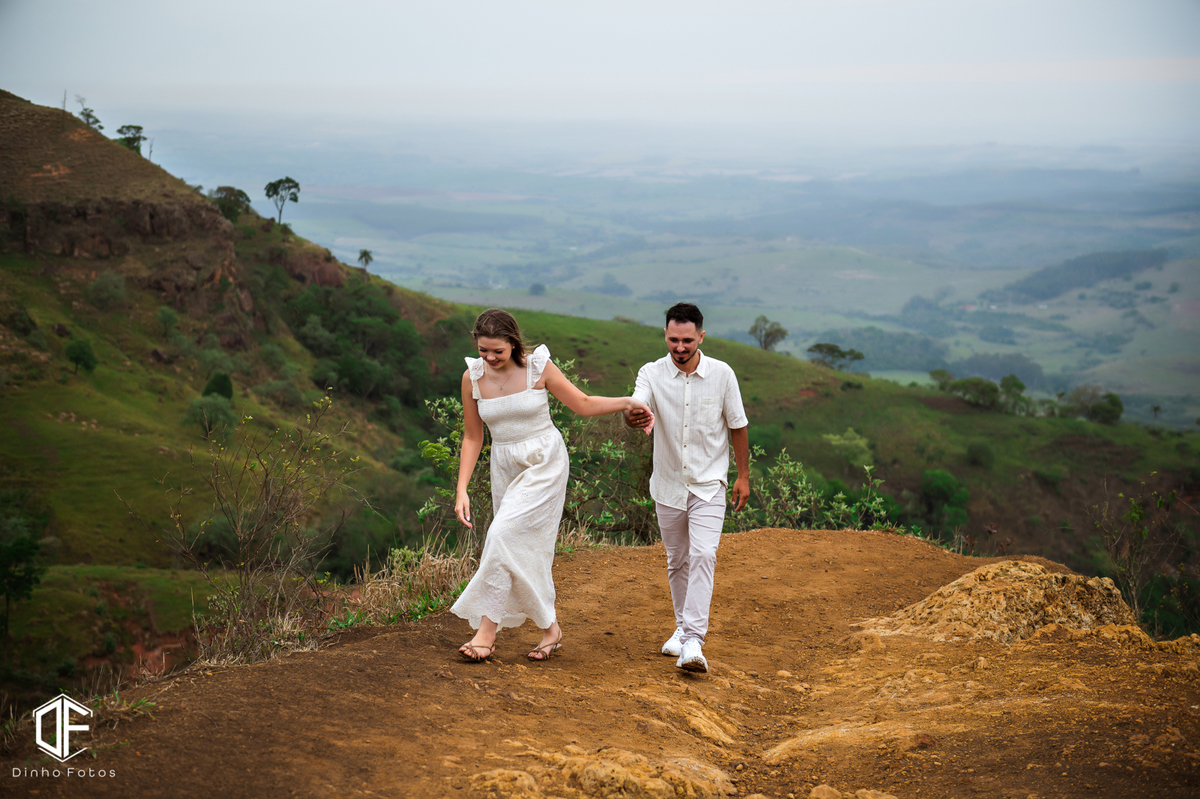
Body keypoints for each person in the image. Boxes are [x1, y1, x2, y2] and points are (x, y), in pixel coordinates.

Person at [451, 308, 653, 663]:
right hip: (505, 466)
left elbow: (583, 404)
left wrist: (627, 402)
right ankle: (550, 628)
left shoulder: (538, 367)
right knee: (522, 546)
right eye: (483, 350)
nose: (490, 358)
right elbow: (472, 436)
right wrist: (462, 489)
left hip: (545, 461)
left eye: (498, 351)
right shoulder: (472, 377)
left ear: (513, 343)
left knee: (501, 534)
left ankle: (487, 632)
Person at [625, 302, 749, 673]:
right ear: (665, 335)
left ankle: (693, 640)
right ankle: (681, 628)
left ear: (701, 337)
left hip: (709, 484)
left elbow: (738, 426)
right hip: (667, 484)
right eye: (674, 340)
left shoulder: (723, 374)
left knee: (704, 554)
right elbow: (636, 405)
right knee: (677, 559)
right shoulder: (651, 373)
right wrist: (633, 415)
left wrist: (743, 476)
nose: (680, 347)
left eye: (687, 341)